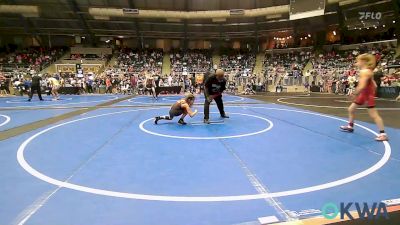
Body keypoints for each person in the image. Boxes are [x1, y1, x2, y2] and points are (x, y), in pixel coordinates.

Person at [340, 53, 388, 141]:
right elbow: (374, 84)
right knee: (351, 109)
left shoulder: (365, 72)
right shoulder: (368, 71)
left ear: (363, 62)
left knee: (374, 115)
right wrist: (370, 91)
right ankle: (350, 126)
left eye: (357, 61)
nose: (356, 63)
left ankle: (383, 134)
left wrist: (353, 94)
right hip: (365, 94)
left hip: (366, 95)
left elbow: (361, 86)